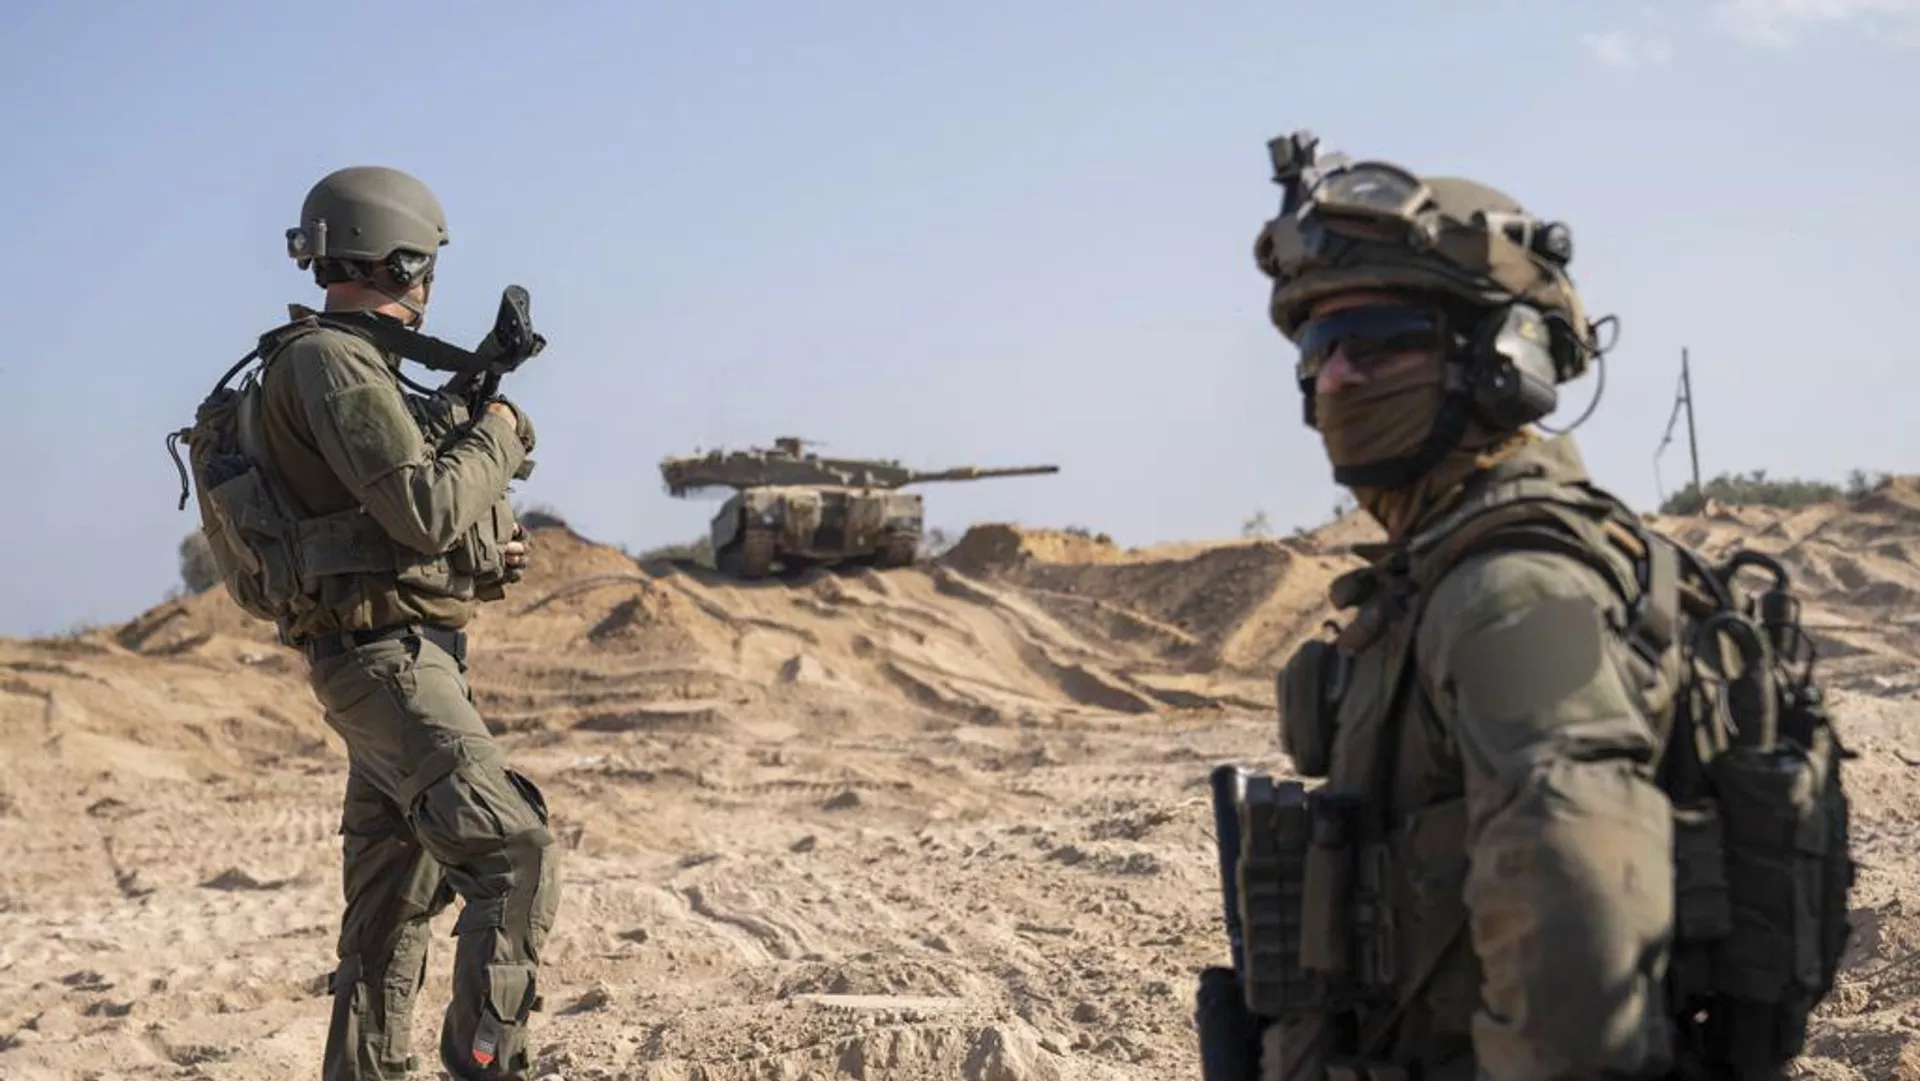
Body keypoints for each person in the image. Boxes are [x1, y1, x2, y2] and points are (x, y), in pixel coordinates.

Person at [1196, 134, 1853, 1081]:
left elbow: (1579, 974)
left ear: (1502, 359)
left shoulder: (1516, 591)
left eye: (1375, 342)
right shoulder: (1438, 577)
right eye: (1318, 349)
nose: (1334, 379)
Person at [219, 165, 559, 1080]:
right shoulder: (331, 361)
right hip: (389, 664)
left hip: (387, 656)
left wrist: (485, 546)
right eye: (428, 263)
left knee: (390, 908)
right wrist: (503, 428)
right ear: (404, 259)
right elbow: (424, 506)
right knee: (512, 851)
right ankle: (488, 1063)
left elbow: (384, 529)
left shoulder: (333, 360)